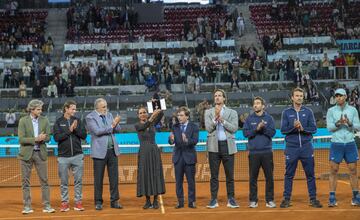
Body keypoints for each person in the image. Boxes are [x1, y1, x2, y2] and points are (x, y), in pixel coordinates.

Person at [280, 87, 322, 208]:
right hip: (291, 148)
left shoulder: (308, 112)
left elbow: (314, 129)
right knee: (289, 174)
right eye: (297, 95)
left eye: (301, 96)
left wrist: (303, 128)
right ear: (292, 97)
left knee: (310, 174)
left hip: (306, 147)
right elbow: (283, 130)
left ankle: (313, 199)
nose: (299, 98)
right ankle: (287, 199)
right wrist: (294, 127)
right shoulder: (286, 112)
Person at [17, 99, 55, 214]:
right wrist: (35, 139)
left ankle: (47, 206)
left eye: (41, 109)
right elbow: (21, 139)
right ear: (32, 110)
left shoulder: (45, 120)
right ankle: (27, 206)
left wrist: (44, 138)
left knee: (44, 181)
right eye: (38, 109)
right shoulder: (23, 121)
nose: (40, 111)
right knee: (25, 182)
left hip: (40, 153)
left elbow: (49, 137)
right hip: (26, 154)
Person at [85, 98, 123, 210]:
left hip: (112, 151)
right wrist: (112, 125)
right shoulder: (90, 117)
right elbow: (97, 131)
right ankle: (98, 202)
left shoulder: (109, 115)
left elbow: (117, 130)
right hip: (99, 153)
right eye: (103, 107)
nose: (106, 109)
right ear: (97, 107)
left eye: (106, 106)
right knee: (98, 179)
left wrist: (116, 124)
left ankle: (115, 201)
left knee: (114, 178)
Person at [205, 89, 239, 208]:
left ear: (224, 98)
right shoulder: (208, 112)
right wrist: (215, 119)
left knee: (230, 176)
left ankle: (231, 199)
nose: (217, 97)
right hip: (213, 147)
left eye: (220, 95)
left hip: (228, 146)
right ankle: (213, 199)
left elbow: (234, 129)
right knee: (214, 176)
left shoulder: (232, 112)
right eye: (215, 96)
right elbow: (208, 129)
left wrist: (223, 121)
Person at [326, 88, 360, 207]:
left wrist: (350, 123)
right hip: (336, 143)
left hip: (350, 143)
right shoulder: (331, 111)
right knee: (333, 170)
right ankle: (332, 197)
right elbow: (329, 128)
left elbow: (358, 126)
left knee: (353, 170)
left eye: (340, 96)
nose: (338, 98)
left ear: (345, 97)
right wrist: (338, 123)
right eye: (336, 96)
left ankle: (356, 196)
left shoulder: (353, 110)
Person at [53, 100, 87, 212]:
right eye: (72, 108)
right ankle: (64, 203)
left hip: (77, 155)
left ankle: (78, 202)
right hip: (63, 157)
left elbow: (84, 135)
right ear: (66, 109)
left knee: (78, 181)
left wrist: (76, 129)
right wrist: (69, 130)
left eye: (75, 109)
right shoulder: (58, 122)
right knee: (64, 182)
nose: (74, 111)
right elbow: (57, 138)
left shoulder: (78, 120)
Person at [243, 97, 276, 208]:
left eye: (258, 103)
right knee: (253, 178)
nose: (256, 105)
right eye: (254, 103)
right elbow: (246, 133)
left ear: (263, 106)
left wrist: (263, 128)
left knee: (269, 177)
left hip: (267, 152)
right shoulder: (249, 119)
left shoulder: (269, 118)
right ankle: (253, 200)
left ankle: (270, 200)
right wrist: (256, 129)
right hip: (253, 153)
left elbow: (272, 133)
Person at [169, 107, 199, 209]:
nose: (179, 117)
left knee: (191, 181)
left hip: (189, 157)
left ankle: (192, 202)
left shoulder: (194, 127)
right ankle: (180, 202)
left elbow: (195, 141)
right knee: (178, 182)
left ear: (187, 116)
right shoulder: (175, 126)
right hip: (178, 158)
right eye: (178, 115)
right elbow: (171, 141)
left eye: (181, 115)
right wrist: (171, 139)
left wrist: (186, 140)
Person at [135, 107, 166, 209]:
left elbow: (161, 114)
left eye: (144, 112)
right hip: (144, 152)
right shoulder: (138, 125)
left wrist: (156, 105)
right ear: (138, 115)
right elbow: (145, 125)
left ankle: (155, 200)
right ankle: (147, 201)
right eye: (140, 113)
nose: (143, 114)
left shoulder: (153, 123)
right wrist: (152, 117)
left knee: (155, 174)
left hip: (154, 152)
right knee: (145, 175)